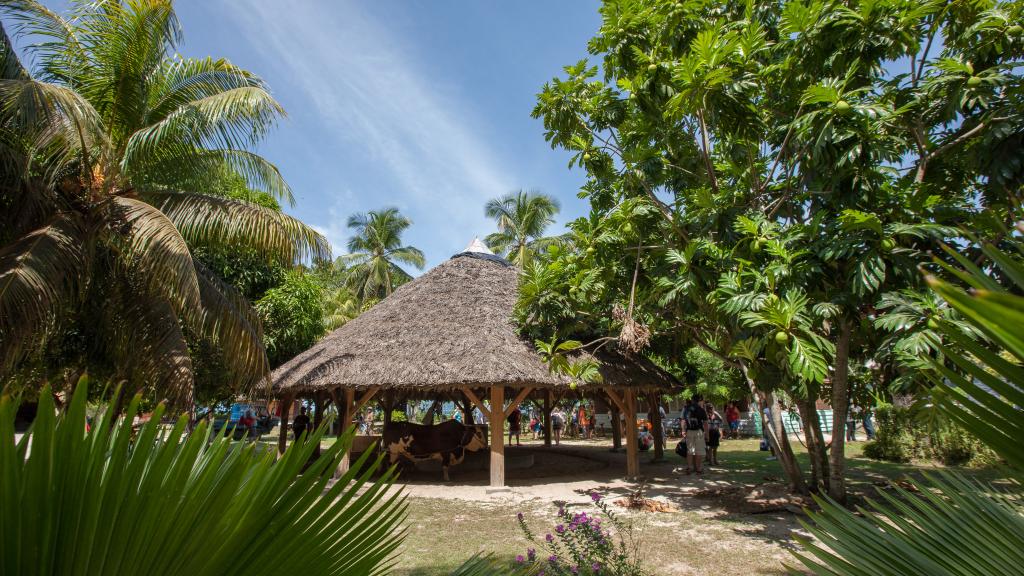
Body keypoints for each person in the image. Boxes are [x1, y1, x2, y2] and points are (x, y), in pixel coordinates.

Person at [685, 397, 708, 475]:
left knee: (690, 450)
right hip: (698, 431)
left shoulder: (687, 409)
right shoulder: (701, 410)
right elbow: (705, 423)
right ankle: (698, 468)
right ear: (699, 401)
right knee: (699, 451)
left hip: (689, 431)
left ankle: (689, 467)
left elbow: (683, 420)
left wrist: (683, 430)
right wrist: (707, 435)